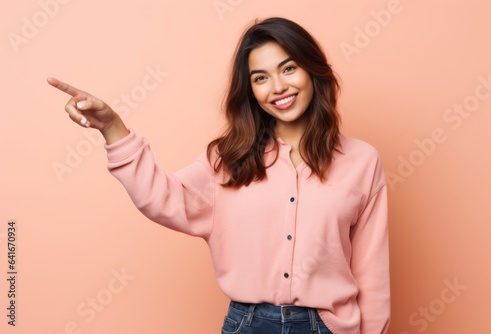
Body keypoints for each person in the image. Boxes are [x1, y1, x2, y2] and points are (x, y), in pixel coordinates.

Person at [48, 17, 390, 334]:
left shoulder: (361, 161)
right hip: (249, 324)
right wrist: (113, 129)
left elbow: (371, 272)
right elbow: (163, 199)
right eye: (260, 77)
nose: (278, 87)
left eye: (289, 68)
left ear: (312, 70)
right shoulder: (228, 159)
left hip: (329, 326)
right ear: (251, 91)